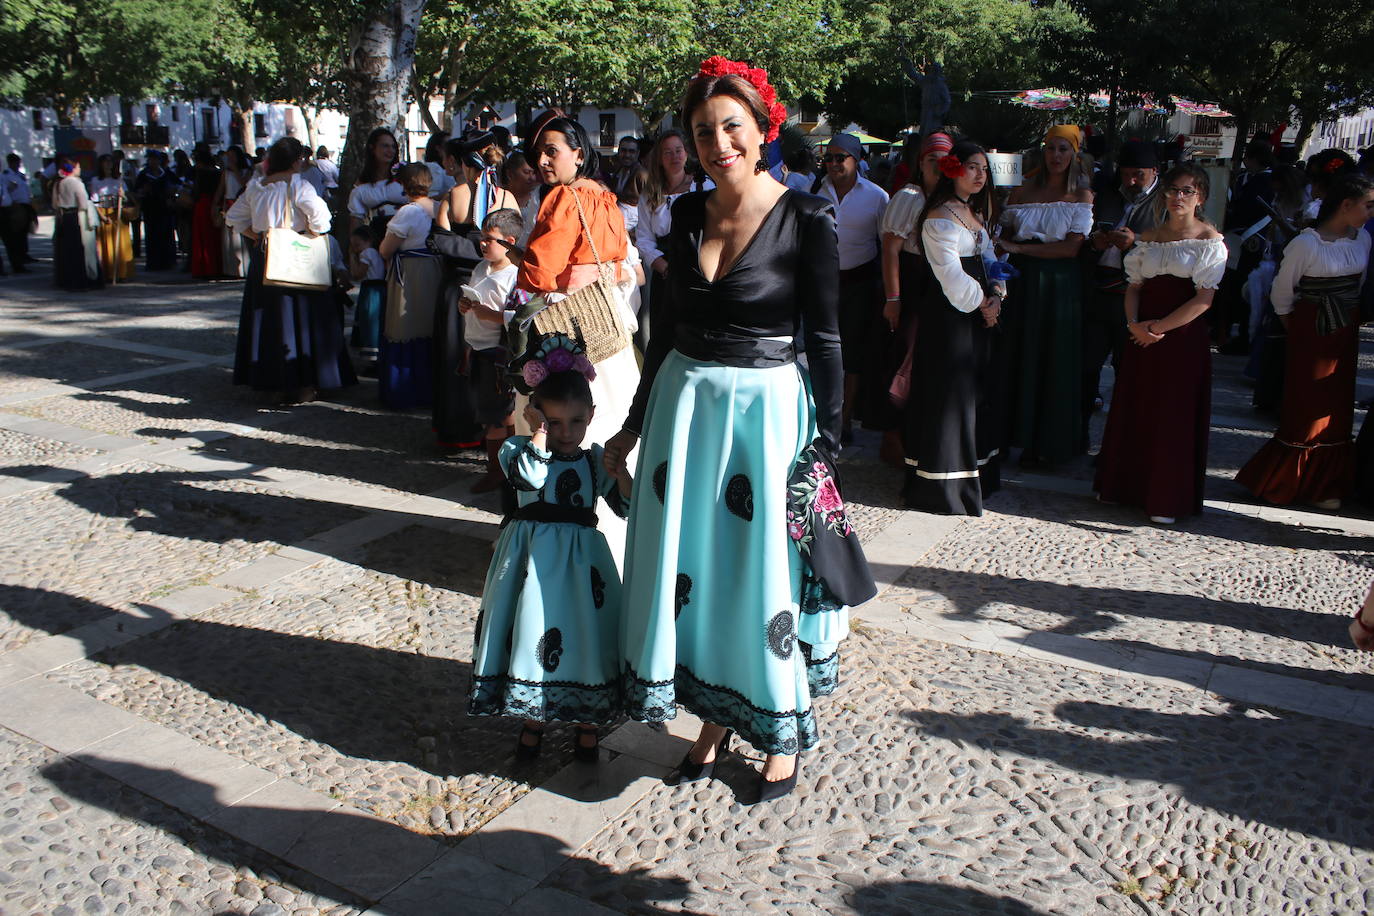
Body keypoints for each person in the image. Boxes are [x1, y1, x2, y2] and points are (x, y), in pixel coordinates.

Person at [607, 57, 866, 802]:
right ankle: (715, 723)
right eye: (702, 132)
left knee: (760, 574)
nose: (718, 143)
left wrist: (831, 439)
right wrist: (631, 425)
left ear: (762, 130)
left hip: (766, 416)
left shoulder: (807, 217)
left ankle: (779, 725)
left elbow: (826, 339)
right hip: (686, 415)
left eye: (731, 127)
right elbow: (665, 332)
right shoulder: (685, 215)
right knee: (697, 573)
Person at [468, 338, 632, 762]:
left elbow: (625, 506)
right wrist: (536, 431)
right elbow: (528, 478)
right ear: (536, 416)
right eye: (553, 422)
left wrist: (623, 472)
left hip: (583, 569)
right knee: (534, 631)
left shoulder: (594, 460)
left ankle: (587, 722)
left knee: (584, 636)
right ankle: (533, 719)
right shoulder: (518, 451)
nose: (565, 432)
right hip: (532, 566)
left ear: (591, 417)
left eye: (576, 421)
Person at [1093, 163, 1227, 524]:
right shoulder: (1148, 237)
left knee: (1173, 413)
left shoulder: (1209, 243)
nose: (1178, 197)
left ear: (1200, 197)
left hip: (1181, 337)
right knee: (1137, 404)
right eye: (1172, 190)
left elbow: (1204, 299)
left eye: (1187, 191)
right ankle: (1123, 486)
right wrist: (1134, 325)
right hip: (1142, 334)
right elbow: (1133, 287)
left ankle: (1165, 496)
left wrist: (1159, 328)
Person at [1235, 174, 1373, 509]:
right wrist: (1297, 326)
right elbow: (1282, 291)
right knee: (1307, 405)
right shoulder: (1306, 243)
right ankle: (1291, 481)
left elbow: (1360, 284)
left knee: (1338, 404)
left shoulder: (1362, 240)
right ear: (1346, 204)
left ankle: (1329, 484)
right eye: (1368, 205)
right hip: (1311, 330)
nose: (1371, 212)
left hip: (1345, 331)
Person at [514, 116, 641, 466]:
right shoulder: (604, 196)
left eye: (551, 151)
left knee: (566, 421)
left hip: (572, 327)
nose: (542, 161)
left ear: (579, 154)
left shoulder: (564, 198)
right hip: (607, 323)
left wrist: (516, 255)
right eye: (539, 153)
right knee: (613, 412)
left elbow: (538, 275)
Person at [902, 141, 1006, 515]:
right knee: (951, 393)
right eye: (972, 167)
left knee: (976, 391)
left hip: (977, 318)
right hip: (951, 319)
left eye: (984, 169)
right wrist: (983, 304)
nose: (980, 175)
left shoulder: (972, 211)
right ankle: (944, 485)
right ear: (954, 169)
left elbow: (991, 259)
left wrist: (997, 294)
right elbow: (950, 276)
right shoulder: (938, 217)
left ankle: (977, 472)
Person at [227, 137, 356, 404]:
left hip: (267, 257)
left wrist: (261, 236)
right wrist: (300, 234)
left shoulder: (256, 187)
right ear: (297, 160)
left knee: (272, 322)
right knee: (303, 321)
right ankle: (305, 382)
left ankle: (274, 381)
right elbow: (321, 223)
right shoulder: (299, 186)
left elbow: (235, 219)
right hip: (297, 257)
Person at [997, 124, 1094, 466]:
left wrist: (1019, 248)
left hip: (1058, 285)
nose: (1056, 156)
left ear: (1074, 154)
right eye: (1051, 149)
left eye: (1063, 150)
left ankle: (1047, 443)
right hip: (1021, 282)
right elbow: (1002, 236)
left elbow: (1070, 249)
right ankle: (1008, 434)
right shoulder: (1022, 192)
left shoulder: (1081, 197)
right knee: (1015, 352)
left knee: (1053, 356)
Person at [434, 129, 519, 449]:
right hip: (498, 287)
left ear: (464, 164)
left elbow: (438, 242)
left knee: (456, 362)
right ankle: (497, 437)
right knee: (495, 364)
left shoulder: (453, 196)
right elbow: (515, 245)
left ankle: (461, 430)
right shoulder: (508, 198)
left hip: (461, 289)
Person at [879, 131, 949, 468]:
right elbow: (891, 249)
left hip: (942, 287)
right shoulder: (909, 197)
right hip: (912, 282)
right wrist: (893, 297)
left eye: (943, 160)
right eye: (930, 159)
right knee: (903, 357)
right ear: (920, 164)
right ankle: (893, 434)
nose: (937, 166)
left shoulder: (953, 198)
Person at [814, 132, 890, 443]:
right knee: (821, 350)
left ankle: (844, 421)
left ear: (855, 160)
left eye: (839, 157)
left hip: (860, 284)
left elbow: (888, 246)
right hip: (823, 283)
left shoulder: (877, 197)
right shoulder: (815, 192)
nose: (833, 163)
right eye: (828, 158)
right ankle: (821, 416)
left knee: (853, 355)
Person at [1083, 140, 1162, 436]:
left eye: (1138, 175)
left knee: (1128, 374)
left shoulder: (1164, 203)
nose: (1130, 181)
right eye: (1126, 174)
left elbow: (1175, 246)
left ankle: (1116, 447)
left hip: (1136, 298)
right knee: (1086, 368)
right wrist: (1096, 242)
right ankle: (1077, 436)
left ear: (1154, 172)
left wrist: (1137, 241)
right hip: (1098, 292)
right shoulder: (1107, 195)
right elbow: (1085, 235)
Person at [460, 208, 523, 493]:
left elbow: (519, 316)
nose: (484, 244)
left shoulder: (514, 277)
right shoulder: (480, 267)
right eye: (482, 238)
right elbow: (472, 300)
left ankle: (498, 472)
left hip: (498, 353)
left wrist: (492, 315)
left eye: (491, 239)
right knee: (488, 410)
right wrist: (465, 308)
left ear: (509, 241)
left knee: (499, 414)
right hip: (478, 347)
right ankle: (500, 468)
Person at [636, 129, 711, 348]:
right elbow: (644, 238)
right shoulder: (650, 193)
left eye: (678, 150)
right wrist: (663, 267)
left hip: (698, 264)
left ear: (686, 154)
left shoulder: (703, 186)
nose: (674, 156)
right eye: (667, 152)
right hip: (666, 270)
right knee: (666, 328)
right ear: (659, 158)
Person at [376, 163, 442, 411]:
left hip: (411, 274)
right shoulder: (438, 208)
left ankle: (405, 390)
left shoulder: (408, 212)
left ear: (404, 184)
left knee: (405, 326)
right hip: (435, 271)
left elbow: (386, 249)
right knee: (429, 326)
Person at [51, 159, 103, 291]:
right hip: (75, 217)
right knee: (80, 250)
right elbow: (83, 203)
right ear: (73, 169)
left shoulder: (58, 183)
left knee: (66, 251)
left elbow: (54, 204)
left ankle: (67, 279)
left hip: (62, 218)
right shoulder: (76, 183)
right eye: (78, 167)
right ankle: (82, 280)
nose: (80, 170)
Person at [89, 155, 134, 283]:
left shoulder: (119, 180)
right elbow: (94, 201)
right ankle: (108, 273)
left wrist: (123, 196)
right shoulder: (96, 180)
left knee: (120, 243)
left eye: (110, 162)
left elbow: (126, 199)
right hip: (104, 212)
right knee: (106, 244)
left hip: (117, 212)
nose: (108, 165)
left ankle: (121, 272)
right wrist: (102, 216)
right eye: (105, 162)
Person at [348, 225, 386, 369]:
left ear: (368, 241)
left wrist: (351, 256)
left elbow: (357, 274)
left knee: (370, 323)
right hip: (379, 288)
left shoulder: (367, 253)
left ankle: (372, 359)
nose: (356, 249)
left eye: (357, 245)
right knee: (376, 321)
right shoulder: (375, 252)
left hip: (371, 289)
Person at [135, 152, 178, 271]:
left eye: (155, 159)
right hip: (150, 209)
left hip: (165, 209)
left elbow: (178, 185)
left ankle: (168, 262)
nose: (153, 162)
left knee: (166, 235)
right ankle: (153, 263)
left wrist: (172, 192)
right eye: (151, 159)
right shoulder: (143, 174)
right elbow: (137, 191)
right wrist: (143, 191)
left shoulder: (167, 173)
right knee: (152, 236)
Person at [215, 147, 253, 279]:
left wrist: (236, 170)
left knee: (242, 237)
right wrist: (216, 205)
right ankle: (232, 270)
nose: (230, 159)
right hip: (229, 204)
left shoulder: (247, 171)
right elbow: (221, 189)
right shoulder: (226, 172)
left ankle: (245, 269)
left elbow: (244, 184)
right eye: (228, 156)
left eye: (233, 156)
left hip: (242, 204)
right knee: (230, 239)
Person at [189, 147, 223, 278]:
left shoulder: (201, 173)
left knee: (203, 237)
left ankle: (205, 268)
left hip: (203, 205)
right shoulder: (217, 172)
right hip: (215, 204)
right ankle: (215, 267)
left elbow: (196, 192)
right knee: (214, 237)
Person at [502, 150, 541, 248]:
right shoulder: (498, 197)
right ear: (510, 174)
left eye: (534, 173)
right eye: (527, 172)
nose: (532, 178)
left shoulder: (538, 198)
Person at [2, 154, 34, 271]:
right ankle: (17, 261)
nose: (18, 165)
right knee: (13, 236)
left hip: (24, 204)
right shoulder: (6, 175)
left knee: (23, 232)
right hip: (14, 206)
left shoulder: (20, 175)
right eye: (16, 163)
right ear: (10, 163)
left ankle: (22, 256)